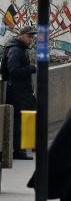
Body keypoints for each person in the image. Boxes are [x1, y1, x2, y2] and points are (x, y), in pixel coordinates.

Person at [2, 26, 37, 159]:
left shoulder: (18, 48)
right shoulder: (16, 50)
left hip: (21, 91)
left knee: (28, 116)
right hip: (18, 92)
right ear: (21, 35)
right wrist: (31, 68)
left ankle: (27, 146)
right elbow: (14, 70)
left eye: (32, 37)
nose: (31, 39)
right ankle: (19, 151)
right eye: (29, 36)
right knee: (20, 120)